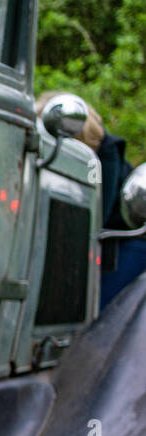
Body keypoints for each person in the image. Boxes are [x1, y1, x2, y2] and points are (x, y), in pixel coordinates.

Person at [38, 91, 146, 306]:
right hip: (88, 243)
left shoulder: (104, 156)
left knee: (99, 307)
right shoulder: (50, 153)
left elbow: (96, 218)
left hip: (124, 240)